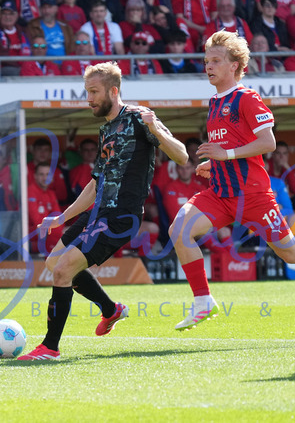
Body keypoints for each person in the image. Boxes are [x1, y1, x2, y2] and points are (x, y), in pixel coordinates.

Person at [169, 30, 295, 332]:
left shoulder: (247, 98)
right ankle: (203, 301)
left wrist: (225, 155)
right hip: (221, 194)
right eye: (206, 60)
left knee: (292, 252)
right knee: (179, 230)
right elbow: (234, 147)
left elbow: (268, 143)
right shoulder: (214, 102)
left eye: (215, 60)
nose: (208, 66)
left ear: (234, 66)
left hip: (253, 196)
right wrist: (217, 163)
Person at [18, 62, 189, 360]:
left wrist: (155, 130)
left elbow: (182, 156)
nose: (89, 99)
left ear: (113, 91)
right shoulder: (106, 129)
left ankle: (50, 347)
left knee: (63, 270)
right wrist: (63, 217)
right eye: (87, 92)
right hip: (98, 212)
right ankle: (111, 309)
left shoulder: (139, 118)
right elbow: (95, 184)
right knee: (54, 262)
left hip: (120, 216)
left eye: (94, 92)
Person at [0, 1, 31, 77]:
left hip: (23, 66)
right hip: (4, 67)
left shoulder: (23, 31)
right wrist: (21, 67)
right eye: (4, 14)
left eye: (11, 14)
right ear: (0, 15)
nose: (7, 17)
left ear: (16, 16)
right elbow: (0, 54)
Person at [29, 163, 63, 254]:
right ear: (35, 176)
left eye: (47, 174)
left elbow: (59, 218)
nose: (45, 178)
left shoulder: (51, 193)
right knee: (55, 232)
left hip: (46, 233)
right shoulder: (30, 191)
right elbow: (37, 221)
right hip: (31, 234)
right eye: (41, 174)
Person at [27, 138, 69, 204]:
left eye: (46, 150)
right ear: (33, 151)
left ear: (50, 153)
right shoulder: (25, 169)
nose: (42, 153)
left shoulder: (56, 171)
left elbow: (62, 196)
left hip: (52, 205)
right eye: (39, 149)